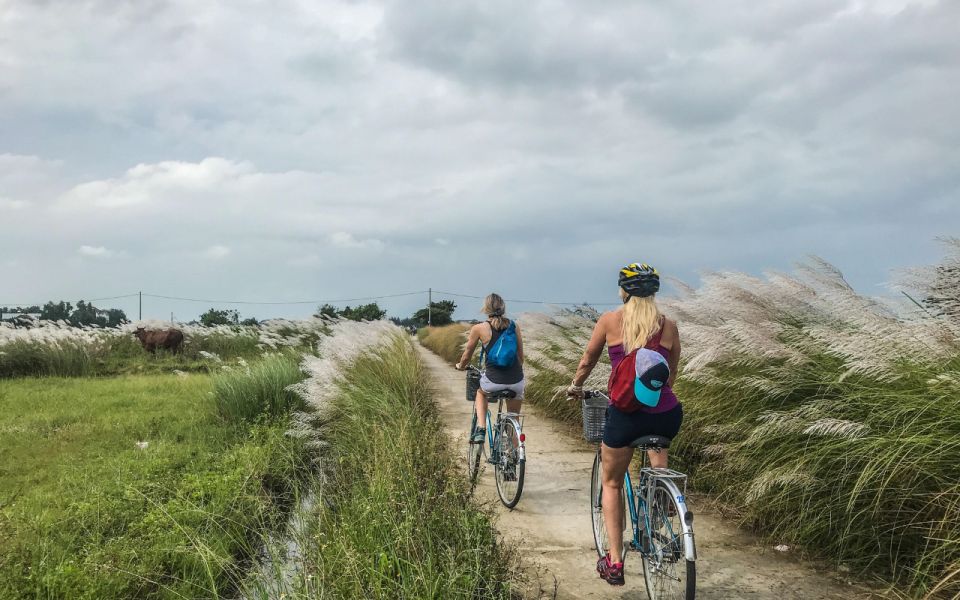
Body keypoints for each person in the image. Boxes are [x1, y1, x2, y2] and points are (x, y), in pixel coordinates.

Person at [567, 263, 682, 586]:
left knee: (613, 483)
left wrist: (576, 386)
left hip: (626, 415)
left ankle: (615, 562)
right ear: (653, 292)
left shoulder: (610, 321)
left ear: (624, 290)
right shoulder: (668, 326)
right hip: (667, 414)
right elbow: (670, 376)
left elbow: (588, 360)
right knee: (658, 451)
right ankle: (662, 499)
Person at [455, 293, 525, 445]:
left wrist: (461, 366)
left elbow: (467, 355)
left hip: (494, 381)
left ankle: (481, 429)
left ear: (486, 308)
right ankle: (513, 457)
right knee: (513, 418)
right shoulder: (514, 326)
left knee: (480, 393)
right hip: (516, 381)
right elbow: (521, 358)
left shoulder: (479, 328)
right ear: (503, 307)